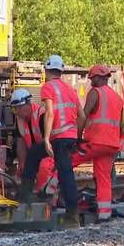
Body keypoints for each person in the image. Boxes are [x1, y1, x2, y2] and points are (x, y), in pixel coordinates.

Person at [19, 55, 85, 228]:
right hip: (69, 137)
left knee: (65, 174)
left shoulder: (48, 87)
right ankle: (26, 193)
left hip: (58, 138)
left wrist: (47, 138)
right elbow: (82, 116)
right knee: (35, 154)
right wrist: (77, 135)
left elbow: (49, 112)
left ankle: (72, 215)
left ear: (47, 71)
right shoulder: (70, 89)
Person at [72, 65, 124, 222]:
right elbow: (123, 125)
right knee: (104, 178)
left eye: (92, 78)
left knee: (67, 161)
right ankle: (104, 215)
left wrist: (77, 137)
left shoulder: (95, 93)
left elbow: (83, 115)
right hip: (111, 146)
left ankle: (49, 192)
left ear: (99, 78)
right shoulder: (117, 98)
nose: (91, 82)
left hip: (96, 142)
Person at [10, 89, 59, 201]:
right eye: (14, 109)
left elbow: (49, 141)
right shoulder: (20, 119)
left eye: (17, 108)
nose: (15, 112)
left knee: (45, 167)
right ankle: (27, 194)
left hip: (50, 151)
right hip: (35, 153)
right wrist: (22, 162)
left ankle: (44, 196)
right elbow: (21, 142)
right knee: (27, 167)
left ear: (26, 105)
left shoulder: (41, 115)